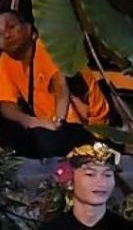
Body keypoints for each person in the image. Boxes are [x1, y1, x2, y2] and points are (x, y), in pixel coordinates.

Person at [0, 9, 110, 158]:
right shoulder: (5, 61)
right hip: (45, 124)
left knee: (44, 142)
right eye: (0, 33)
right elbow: (6, 104)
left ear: (28, 28)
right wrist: (29, 121)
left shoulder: (47, 47)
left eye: (11, 27)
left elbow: (61, 86)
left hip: (84, 125)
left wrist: (57, 122)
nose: (6, 35)